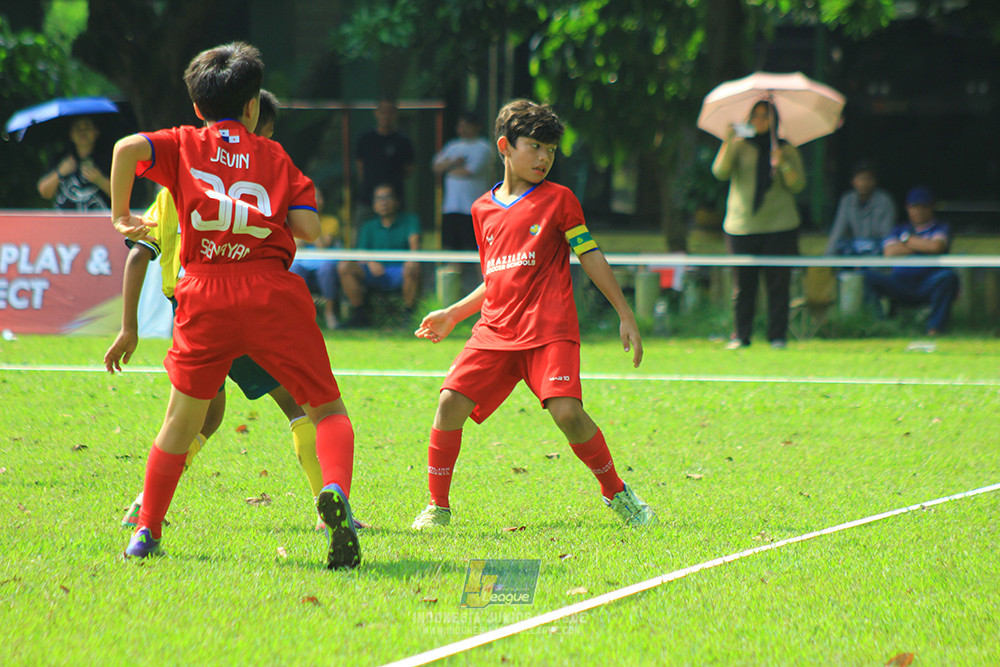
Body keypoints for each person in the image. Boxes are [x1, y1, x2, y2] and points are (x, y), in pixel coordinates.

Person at [109, 42, 359, 570]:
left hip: (204, 293)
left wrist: (119, 215)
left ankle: (147, 530)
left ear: (198, 106)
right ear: (253, 106)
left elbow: (128, 149)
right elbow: (309, 229)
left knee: (181, 422)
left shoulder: (182, 143)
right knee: (327, 410)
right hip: (271, 290)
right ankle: (335, 493)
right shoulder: (275, 156)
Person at [410, 99, 655, 531]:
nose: (544, 157)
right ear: (505, 146)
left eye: (551, 150)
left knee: (567, 414)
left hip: (549, 329)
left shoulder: (560, 200)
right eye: (535, 146)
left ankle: (618, 493)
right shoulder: (481, 209)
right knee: (449, 403)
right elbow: (498, 275)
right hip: (495, 331)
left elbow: (591, 255)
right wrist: (454, 312)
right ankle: (437, 507)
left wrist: (625, 313)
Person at [712, 99, 806, 349]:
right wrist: (729, 141)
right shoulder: (740, 145)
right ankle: (741, 336)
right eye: (756, 115)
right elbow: (720, 172)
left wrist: (782, 162)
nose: (760, 121)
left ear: (776, 120)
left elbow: (798, 185)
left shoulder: (786, 148)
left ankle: (777, 337)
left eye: (766, 116)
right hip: (741, 226)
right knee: (743, 287)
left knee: (778, 285)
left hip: (780, 225)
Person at [863, 186, 959, 335]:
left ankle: (934, 329)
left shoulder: (940, 228)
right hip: (899, 283)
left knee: (948, 278)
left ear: (931, 207)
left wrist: (906, 241)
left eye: (923, 206)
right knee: (866, 277)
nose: (919, 211)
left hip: (928, 283)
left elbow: (936, 246)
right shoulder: (898, 229)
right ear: (908, 208)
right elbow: (890, 252)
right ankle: (880, 325)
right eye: (915, 207)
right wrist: (922, 246)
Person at [337, 183, 421, 327]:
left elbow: (415, 249)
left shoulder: (410, 221)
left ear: (397, 201)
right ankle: (360, 314)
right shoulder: (368, 226)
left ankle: (408, 315)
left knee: (413, 266)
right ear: (374, 204)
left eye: (387, 197)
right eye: (379, 199)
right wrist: (370, 262)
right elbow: (361, 253)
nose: (383, 202)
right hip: (373, 272)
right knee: (345, 267)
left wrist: (409, 262)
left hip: (400, 271)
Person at [432, 112, 493, 252]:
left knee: (475, 249)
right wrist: (455, 163)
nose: (462, 129)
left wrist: (447, 168)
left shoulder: (483, 147)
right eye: (460, 126)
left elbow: (470, 171)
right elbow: (436, 167)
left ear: (476, 127)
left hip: (472, 208)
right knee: (451, 249)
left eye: (466, 126)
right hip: (451, 207)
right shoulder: (452, 146)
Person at [289, 186, 343, 330]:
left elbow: (322, 245)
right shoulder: (295, 219)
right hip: (303, 262)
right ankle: (299, 314)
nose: (314, 201)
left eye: (318, 197)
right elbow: (297, 244)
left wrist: (308, 224)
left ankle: (329, 313)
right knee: (294, 269)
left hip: (323, 262)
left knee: (327, 269)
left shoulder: (331, 221)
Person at [355, 98, 414, 221]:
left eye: (390, 112)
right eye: (383, 111)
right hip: (368, 198)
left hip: (395, 198)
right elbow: (360, 166)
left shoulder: (403, 140)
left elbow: (408, 169)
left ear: (395, 114)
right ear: (376, 113)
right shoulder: (365, 138)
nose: (386, 116)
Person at [36, 115, 112, 210]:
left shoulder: (110, 159)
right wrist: (60, 172)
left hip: (99, 222)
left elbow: (122, 196)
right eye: (77, 128)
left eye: (87, 127)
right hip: (65, 222)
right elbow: (44, 193)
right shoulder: (61, 159)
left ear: (96, 132)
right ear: (71, 134)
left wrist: (100, 180)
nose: (82, 132)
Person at [825, 160, 897, 256]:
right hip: (854, 249)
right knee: (843, 247)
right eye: (860, 179)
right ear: (853, 181)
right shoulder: (847, 200)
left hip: (877, 250)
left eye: (867, 179)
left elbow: (887, 236)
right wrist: (826, 260)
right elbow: (837, 233)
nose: (863, 183)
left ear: (874, 181)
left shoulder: (885, 201)